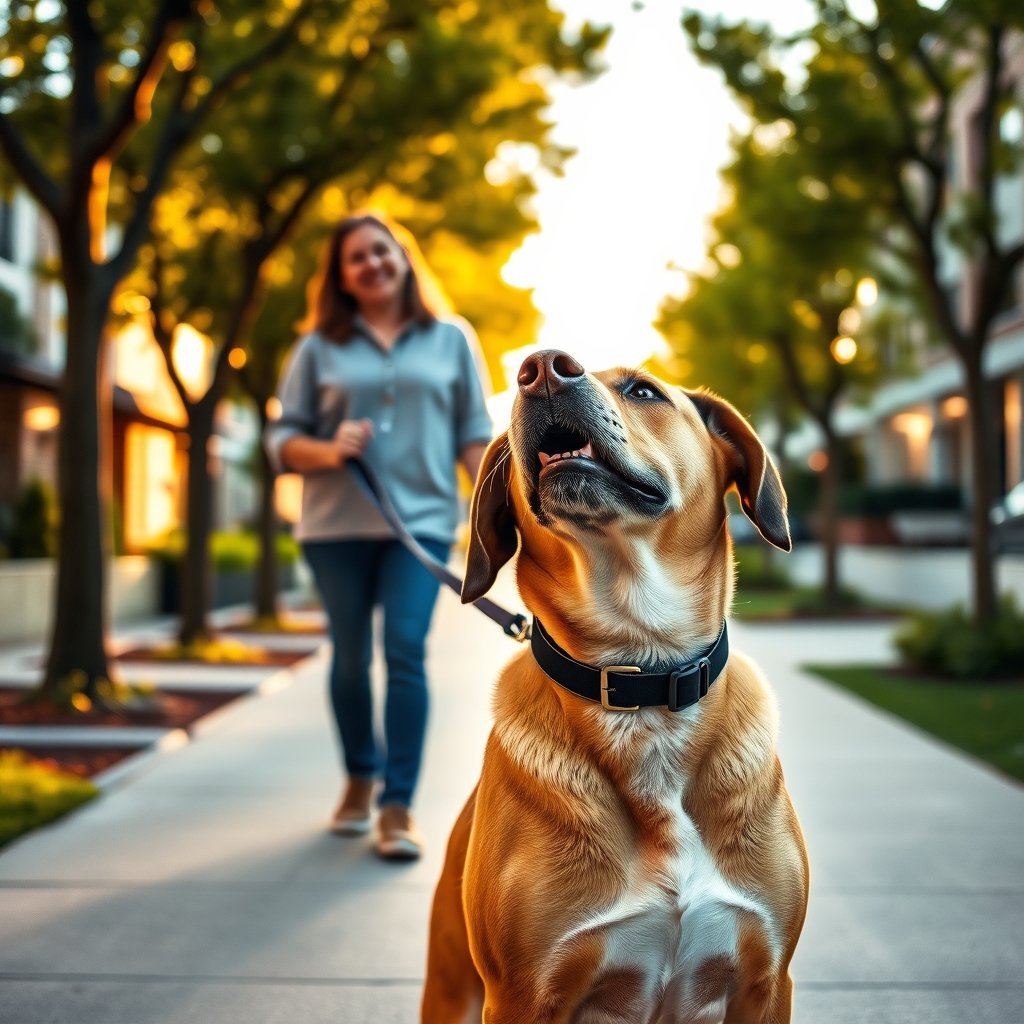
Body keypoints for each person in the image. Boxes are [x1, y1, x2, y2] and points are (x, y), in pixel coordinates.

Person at [265, 213, 491, 860]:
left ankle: (397, 806)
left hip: (418, 526)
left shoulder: (451, 339)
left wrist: (500, 506)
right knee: (348, 657)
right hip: (334, 527)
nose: (372, 264)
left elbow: (474, 433)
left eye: (381, 251)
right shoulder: (317, 348)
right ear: (341, 277)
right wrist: (326, 448)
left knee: (404, 651)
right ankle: (359, 780)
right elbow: (280, 441)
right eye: (356, 258)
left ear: (403, 257)